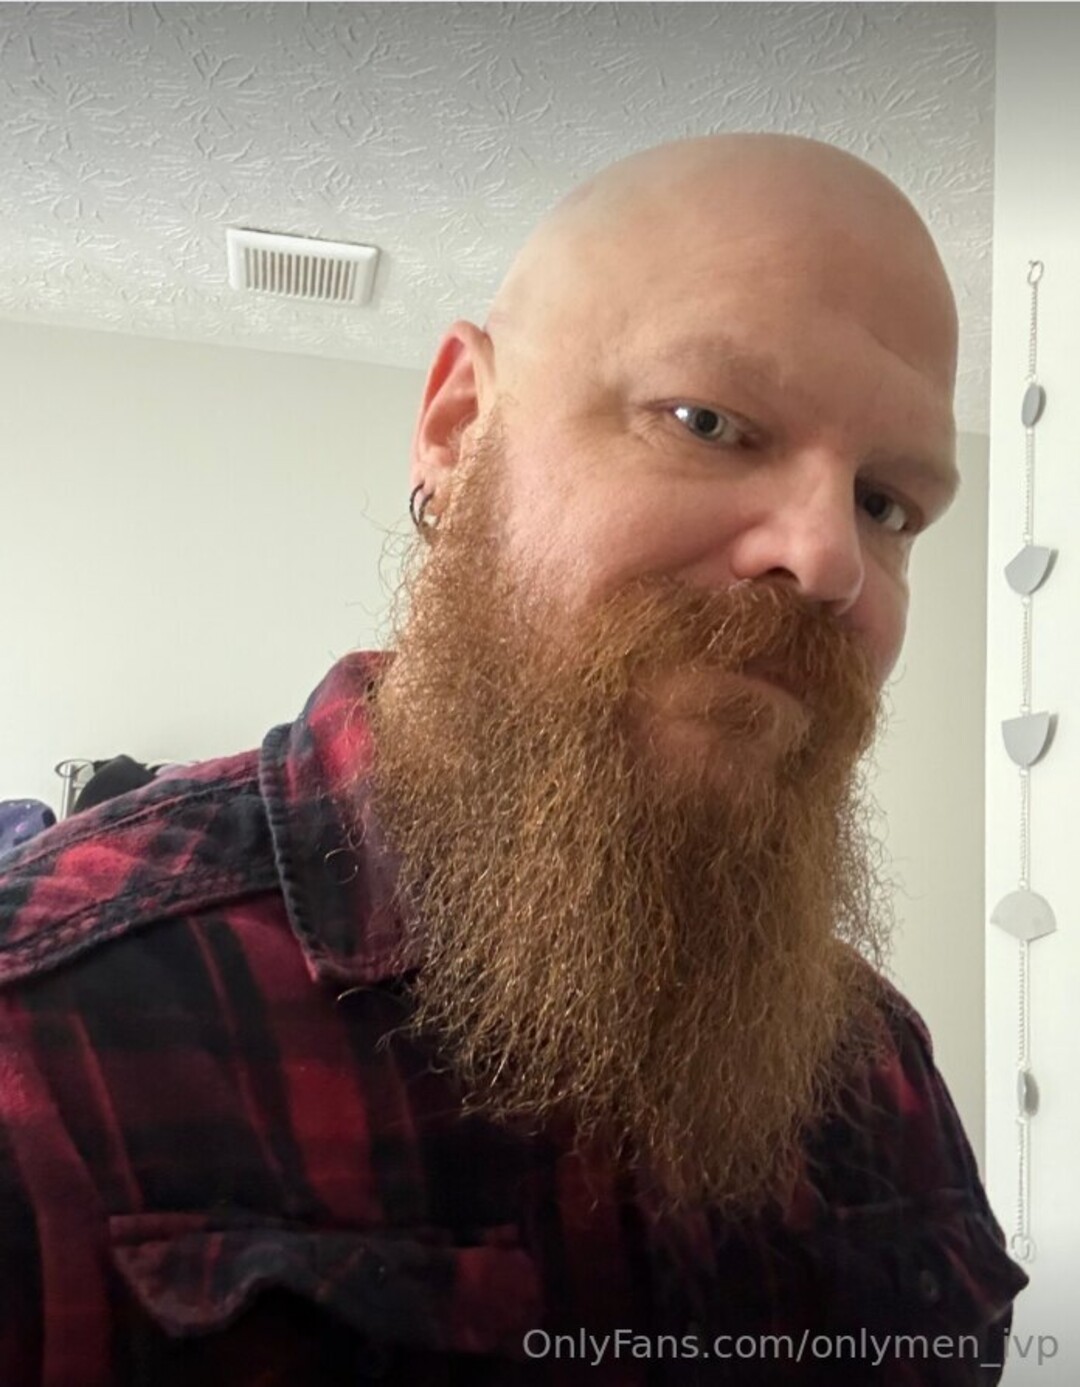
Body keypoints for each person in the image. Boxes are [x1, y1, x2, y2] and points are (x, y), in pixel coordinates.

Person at [0, 133, 1028, 1385]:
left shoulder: (878, 1071)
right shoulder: (44, 1033)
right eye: (709, 422)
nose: (829, 561)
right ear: (458, 427)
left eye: (886, 503)